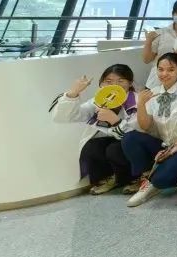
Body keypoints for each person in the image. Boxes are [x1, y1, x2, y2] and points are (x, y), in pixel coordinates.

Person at [123, 52, 177, 207]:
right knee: (130, 138)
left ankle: (161, 178)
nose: (164, 74)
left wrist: (173, 150)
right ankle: (146, 179)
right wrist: (141, 104)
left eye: (171, 70)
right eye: (161, 69)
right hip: (163, 144)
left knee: (161, 180)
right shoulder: (153, 93)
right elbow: (145, 126)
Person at [50, 63, 138, 195]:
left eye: (121, 81)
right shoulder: (98, 101)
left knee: (115, 149)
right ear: (102, 84)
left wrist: (115, 121)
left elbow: (137, 134)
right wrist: (73, 93)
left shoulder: (137, 100)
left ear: (130, 83)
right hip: (112, 140)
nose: (115, 85)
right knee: (91, 146)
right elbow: (63, 117)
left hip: (131, 142)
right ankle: (111, 178)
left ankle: (135, 177)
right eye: (109, 81)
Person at [141, 0, 177, 88]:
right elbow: (146, 60)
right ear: (173, 14)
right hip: (156, 82)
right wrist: (148, 41)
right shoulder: (160, 33)